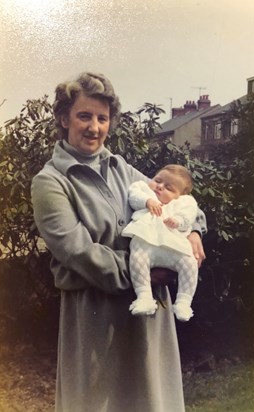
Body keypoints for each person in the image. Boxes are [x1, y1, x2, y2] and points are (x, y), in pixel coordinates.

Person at [31, 72, 207, 412]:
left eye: (102, 118)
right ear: (64, 118)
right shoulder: (50, 182)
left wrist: (195, 230)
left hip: (148, 321)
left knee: (151, 400)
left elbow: (178, 200)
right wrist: (144, 271)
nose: (94, 127)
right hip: (96, 319)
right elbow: (78, 252)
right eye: (84, 116)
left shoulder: (121, 169)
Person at [122, 165, 199, 322]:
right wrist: (147, 201)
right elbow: (133, 195)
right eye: (158, 180)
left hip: (172, 246)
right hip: (146, 241)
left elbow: (189, 215)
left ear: (180, 195)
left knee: (189, 263)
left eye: (168, 188)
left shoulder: (185, 202)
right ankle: (144, 297)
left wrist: (179, 220)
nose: (160, 186)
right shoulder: (144, 188)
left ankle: (184, 302)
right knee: (137, 258)